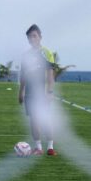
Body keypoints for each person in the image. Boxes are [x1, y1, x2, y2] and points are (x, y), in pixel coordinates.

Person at [18, 24, 57, 156]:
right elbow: (23, 75)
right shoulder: (25, 55)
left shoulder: (46, 53)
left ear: (40, 37)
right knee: (34, 120)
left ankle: (50, 147)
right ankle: (38, 147)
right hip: (29, 93)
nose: (32, 38)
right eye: (30, 37)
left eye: (34, 36)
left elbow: (50, 74)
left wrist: (50, 92)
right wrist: (21, 92)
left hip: (43, 93)